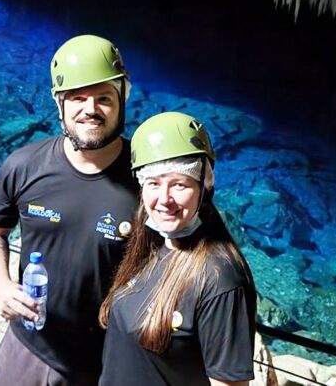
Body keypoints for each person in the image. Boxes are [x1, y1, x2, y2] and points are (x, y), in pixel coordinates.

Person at [0, 34, 140, 386]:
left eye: (103, 99)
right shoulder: (24, 166)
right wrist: (2, 287)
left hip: (105, 364)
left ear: (122, 99)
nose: (90, 109)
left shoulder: (147, 182)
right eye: (77, 98)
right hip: (28, 349)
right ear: (59, 105)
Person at [98, 111, 257, 386]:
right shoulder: (150, 242)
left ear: (204, 185)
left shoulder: (220, 279)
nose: (164, 200)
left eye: (179, 185)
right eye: (154, 184)